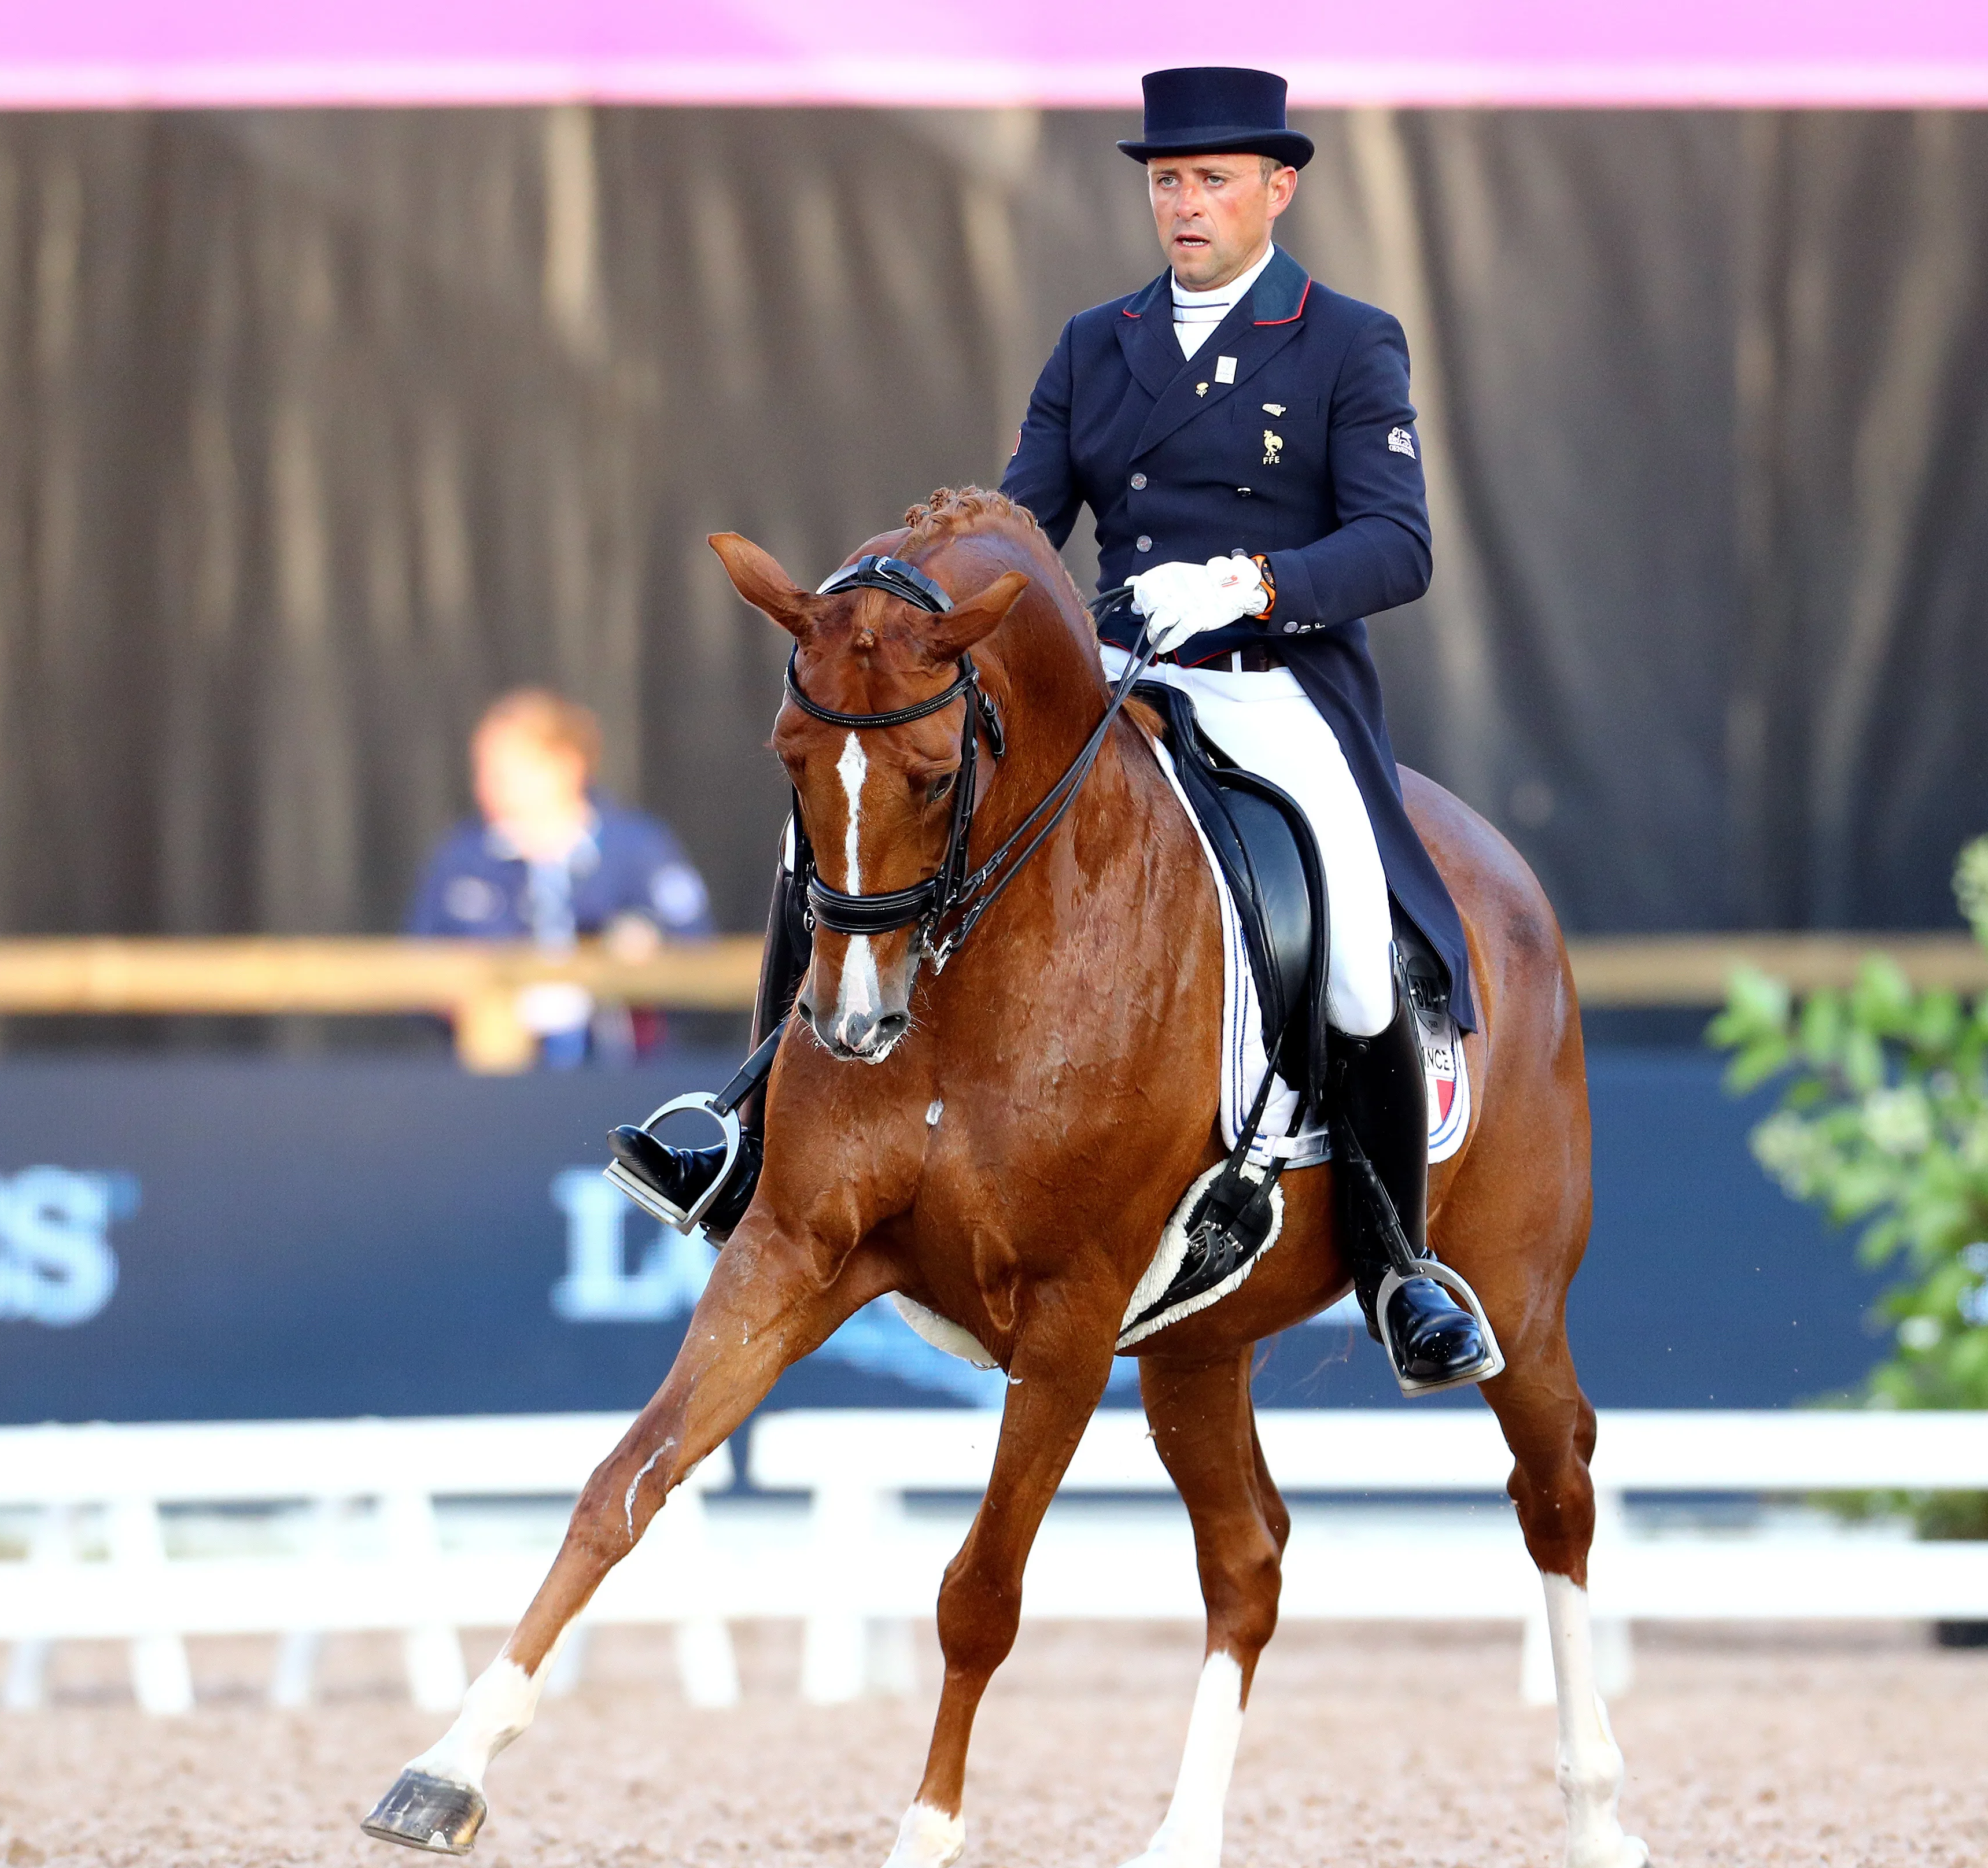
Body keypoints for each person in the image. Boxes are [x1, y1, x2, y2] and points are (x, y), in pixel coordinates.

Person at [608, 69, 1493, 1392]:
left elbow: (1394, 542)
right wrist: (912, 595)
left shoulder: (1345, 340)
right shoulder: (1096, 343)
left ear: (1276, 188)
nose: (1184, 204)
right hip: (1114, 677)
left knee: (1351, 936)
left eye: (1210, 181)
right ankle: (746, 1133)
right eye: (1165, 182)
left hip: (1269, 678)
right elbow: (1013, 523)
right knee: (833, 841)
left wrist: (1247, 582)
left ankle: (1392, 1256)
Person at [411, 689, 711, 1066]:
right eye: (482, 771)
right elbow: (417, 971)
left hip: (624, 1071)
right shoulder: (463, 859)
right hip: (497, 1077)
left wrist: (642, 959)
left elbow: (698, 956)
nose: (484, 785)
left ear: (566, 766)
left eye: (503, 773)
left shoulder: (638, 848)